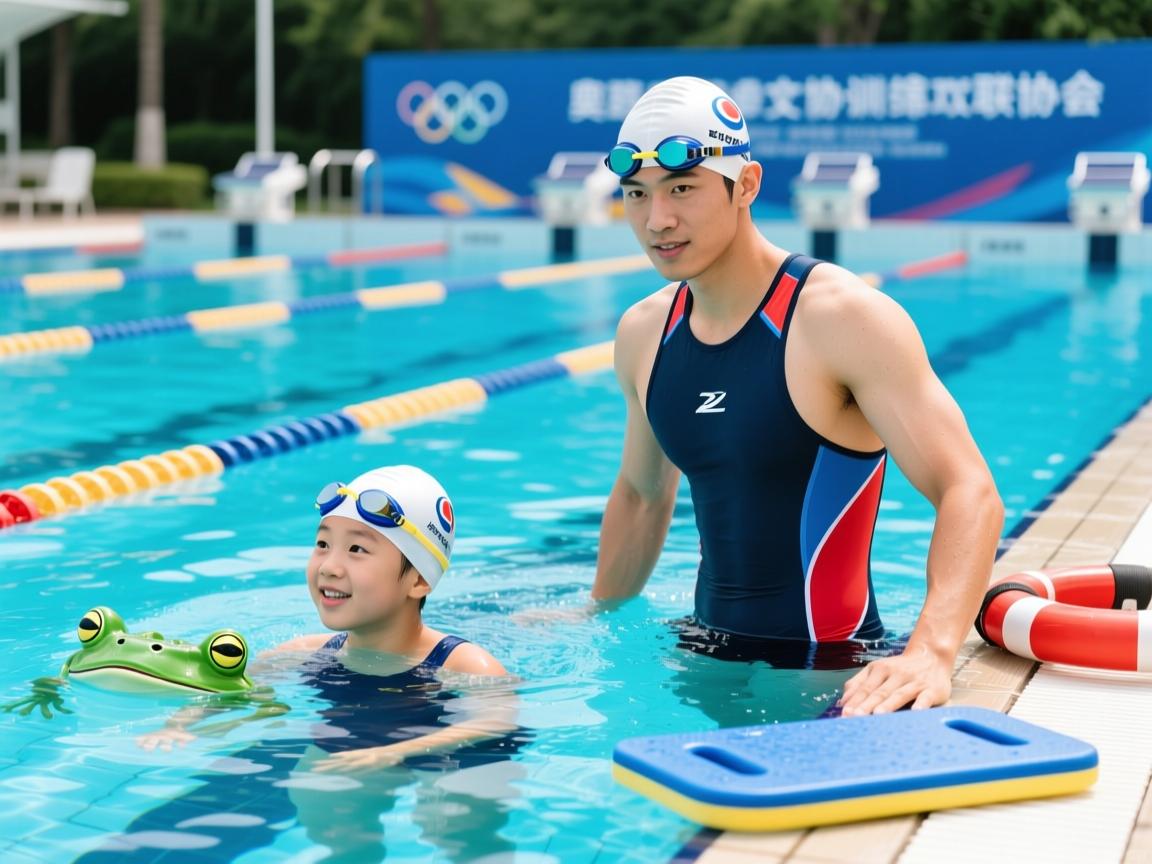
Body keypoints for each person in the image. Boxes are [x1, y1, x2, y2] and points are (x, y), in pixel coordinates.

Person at [592, 77, 1004, 716]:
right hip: (697, 657)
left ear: (747, 186)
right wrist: (598, 615)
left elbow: (968, 489)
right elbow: (643, 495)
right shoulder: (646, 333)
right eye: (636, 194)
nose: (657, 220)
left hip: (825, 670)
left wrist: (932, 648)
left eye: (682, 189)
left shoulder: (840, 319)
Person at [87, 465, 524, 864]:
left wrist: (391, 753)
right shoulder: (312, 650)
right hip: (357, 752)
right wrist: (182, 723)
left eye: (356, 549)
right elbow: (235, 688)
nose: (329, 567)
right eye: (322, 544)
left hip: (449, 755)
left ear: (419, 579)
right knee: (318, 802)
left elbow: (494, 723)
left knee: (456, 828)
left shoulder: (464, 663)